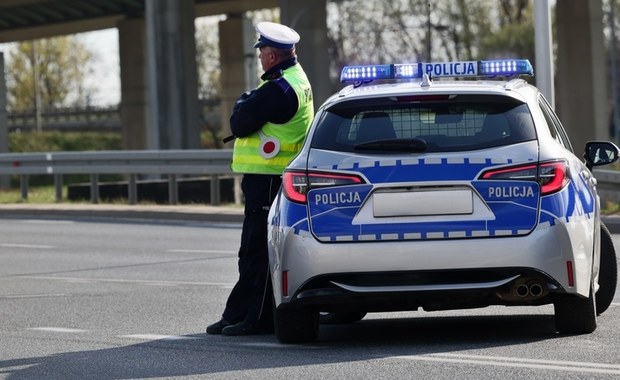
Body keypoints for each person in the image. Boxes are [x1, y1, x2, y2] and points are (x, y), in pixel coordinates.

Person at [206, 21, 314, 336]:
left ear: (271, 55)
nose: (260, 57)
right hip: (269, 179)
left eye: (262, 51)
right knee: (253, 250)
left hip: (267, 179)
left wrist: (243, 102)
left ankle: (257, 319)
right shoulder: (294, 79)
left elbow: (239, 122)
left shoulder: (280, 87)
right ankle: (238, 313)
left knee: (257, 251)